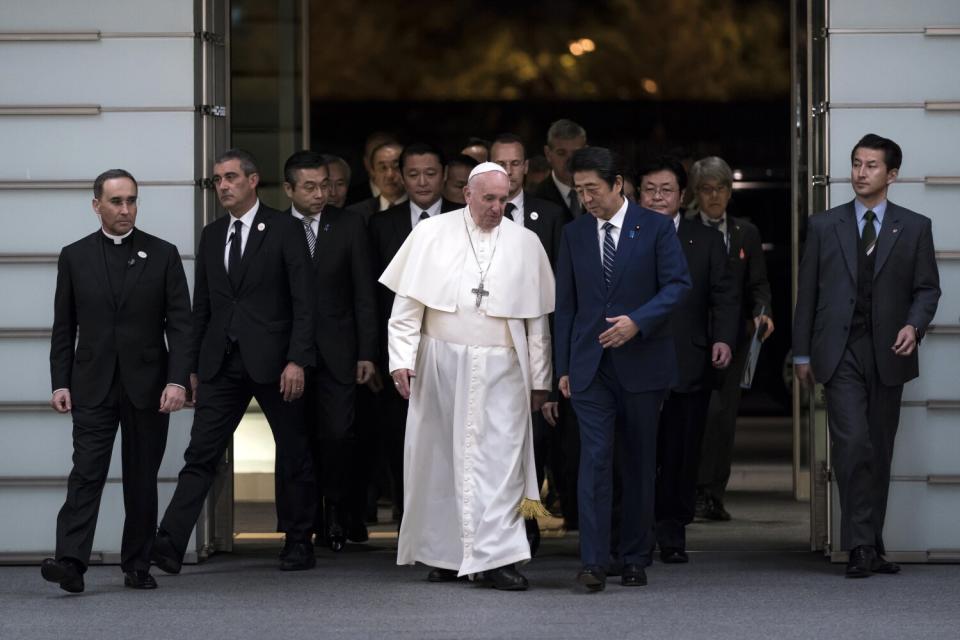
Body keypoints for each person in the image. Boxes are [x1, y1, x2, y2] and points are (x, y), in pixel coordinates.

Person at [380, 162, 554, 591]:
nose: (498, 208)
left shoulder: (526, 242)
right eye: (489, 199)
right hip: (441, 362)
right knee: (439, 458)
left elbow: (538, 323)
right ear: (467, 194)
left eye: (504, 199)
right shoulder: (430, 233)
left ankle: (497, 557)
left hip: (503, 368)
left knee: (501, 463)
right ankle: (444, 553)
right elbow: (406, 308)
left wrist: (540, 380)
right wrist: (401, 360)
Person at [151, 149, 318, 573]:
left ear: (252, 180)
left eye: (229, 177)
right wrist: (190, 367)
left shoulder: (285, 229)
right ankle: (168, 545)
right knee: (200, 454)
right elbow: (200, 308)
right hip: (221, 364)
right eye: (217, 180)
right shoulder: (211, 235)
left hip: (277, 364)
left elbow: (304, 301)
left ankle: (298, 541)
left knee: (294, 452)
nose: (222, 186)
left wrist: (297, 359)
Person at [794, 134, 940, 578]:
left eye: (871, 166)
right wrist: (801, 355)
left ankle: (871, 543)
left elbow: (927, 288)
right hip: (839, 353)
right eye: (856, 164)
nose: (860, 173)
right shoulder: (824, 225)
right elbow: (808, 295)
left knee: (879, 449)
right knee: (853, 443)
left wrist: (913, 326)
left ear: (891, 174)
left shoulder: (914, 226)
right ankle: (859, 545)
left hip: (889, 353)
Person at [42, 169, 192, 593]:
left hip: (149, 384)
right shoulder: (74, 256)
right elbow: (63, 324)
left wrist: (177, 380)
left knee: (141, 477)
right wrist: (60, 382)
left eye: (131, 200)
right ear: (97, 206)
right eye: (116, 202)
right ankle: (71, 562)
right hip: (91, 383)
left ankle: (138, 564)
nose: (126, 209)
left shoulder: (163, 254)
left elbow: (181, 325)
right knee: (86, 473)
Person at [554, 147, 690, 592]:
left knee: (637, 462)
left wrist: (639, 322)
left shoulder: (653, 227)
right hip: (591, 366)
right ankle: (593, 561)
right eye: (579, 191)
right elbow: (567, 305)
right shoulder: (574, 234)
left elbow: (677, 285)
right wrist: (563, 367)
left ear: (618, 184)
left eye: (593, 189)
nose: (586, 198)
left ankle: (634, 556)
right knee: (593, 462)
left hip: (643, 364)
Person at [638, 157, 739, 563]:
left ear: (682, 196)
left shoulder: (707, 240)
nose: (658, 197)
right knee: (639, 451)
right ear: (637, 192)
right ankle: (636, 531)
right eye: (650, 189)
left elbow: (725, 295)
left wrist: (723, 339)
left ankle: (672, 530)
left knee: (681, 453)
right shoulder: (623, 236)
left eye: (666, 190)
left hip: (688, 360)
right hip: (636, 360)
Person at [282, 151, 377, 550]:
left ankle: (337, 511)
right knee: (295, 440)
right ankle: (302, 523)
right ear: (289, 189)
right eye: (310, 187)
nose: (321, 193)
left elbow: (364, 293)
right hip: (290, 356)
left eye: (326, 185)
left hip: (340, 351)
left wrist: (367, 352)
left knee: (338, 435)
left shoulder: (350, 224)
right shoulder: (275, 227)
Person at [368, 143, 459, 522]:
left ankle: (450, 520)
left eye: (430, 173)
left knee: (450, 438)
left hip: (452, 345)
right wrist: (374, 355)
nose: (422, 182)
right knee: (399, 436)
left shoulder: (463, 218)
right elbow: (369, 296)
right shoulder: (379, 225)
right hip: (398, 351)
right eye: (413, 174)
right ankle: (409, 518)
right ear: (400, 177)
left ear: (444, 176)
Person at [490, 132, 569, 552]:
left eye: (515, 163)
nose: (508, 171)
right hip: (488, 347)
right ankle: (498, 525)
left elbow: (558, 295)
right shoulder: (465, 216)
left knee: (535, 444)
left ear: (527, 167)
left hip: (536, 345)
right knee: (494, 444)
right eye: (499, 163)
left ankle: (529, 520)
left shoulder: (550, 216)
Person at [689, 156, 773, 522]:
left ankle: (712, 493)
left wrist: (762, 310)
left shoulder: (745, 233)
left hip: (735, 337)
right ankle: (688, 489)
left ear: (730, 191)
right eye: (706, 189)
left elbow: (759, 283)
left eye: (721, 188)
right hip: (692, 336)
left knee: (723, 418)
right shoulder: (685, 230)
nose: (714, 196)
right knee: (694, 415)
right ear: (695, 193)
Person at [534, 119, 588, 219]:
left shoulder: (599, 194)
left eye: (576, 153)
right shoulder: (536, 199)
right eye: (561, 153)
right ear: (548, 154)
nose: (570, 160)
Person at [348, 142, 407, 222]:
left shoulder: (421, 208)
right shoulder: (356, 213)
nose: (390, 175)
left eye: (396, 167)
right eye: (383, 168)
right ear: (372, 172)